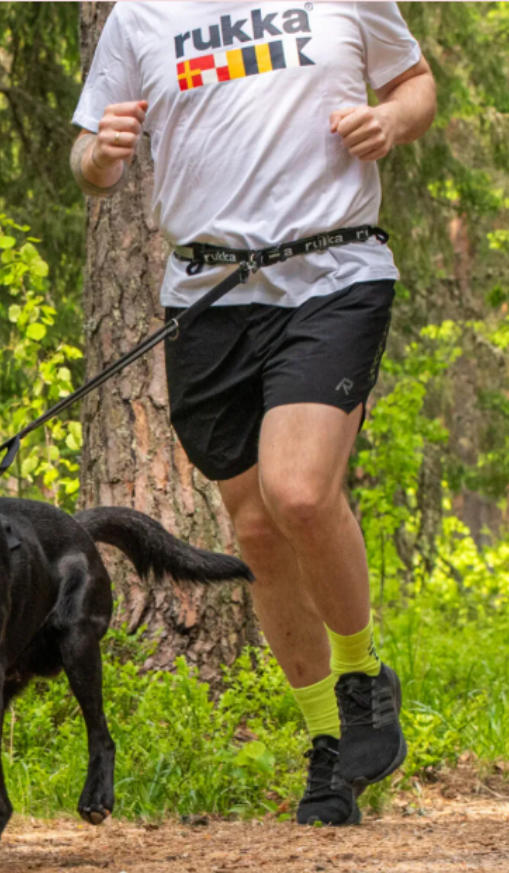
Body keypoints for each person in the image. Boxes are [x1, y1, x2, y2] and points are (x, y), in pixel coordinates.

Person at [71, 3, 436, 825]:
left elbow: (415, 86)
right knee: (257, 528)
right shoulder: (140, 16)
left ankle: (361, 679)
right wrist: (101, 154)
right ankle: (328, 748)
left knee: (298, 491)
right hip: (208, 296)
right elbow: (89, 160)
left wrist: (388, 121)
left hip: (334, 273)